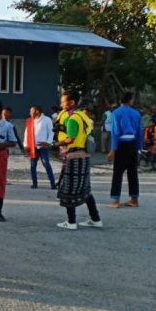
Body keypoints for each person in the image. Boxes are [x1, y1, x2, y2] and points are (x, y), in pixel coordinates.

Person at [53, 91, 102, 230]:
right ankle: (96, 218)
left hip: (74, 156)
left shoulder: (73, 118)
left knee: (69, 188)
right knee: (85, 188)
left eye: (63, 102)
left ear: (72, 103)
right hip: (85, 156)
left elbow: (70, 138)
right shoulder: (83, 115)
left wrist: (54, 144)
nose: (61, 104)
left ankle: (71, 222)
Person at [108, 91, 142, 208]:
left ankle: (116, 200)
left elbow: (115, 132)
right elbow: (139, 133)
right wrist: (139, 149)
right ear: (130, 100)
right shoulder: (136, 113)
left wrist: (113, 149)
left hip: (121, 144)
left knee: (118, 172)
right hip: (133, 144)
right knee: (133, 172)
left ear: (120, 100)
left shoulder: (116, 113)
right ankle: (134, 199)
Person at [23, 105, 57, 189]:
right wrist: (25, 145)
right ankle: (35, 183)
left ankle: (53, 184)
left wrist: (48, 143)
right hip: (32, 147)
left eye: (31, 111)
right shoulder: (30, 121)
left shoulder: (47, 120)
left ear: (37, 111)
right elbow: (26, 134)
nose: (30, 113)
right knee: (33, 166)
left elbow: (51, 133)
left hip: (43, 147)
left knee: (46, 164)